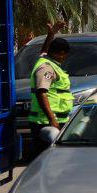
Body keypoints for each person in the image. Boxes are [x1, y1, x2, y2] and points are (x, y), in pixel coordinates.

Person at [28, 20, 73, 156]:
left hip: (54, 120)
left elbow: (44, 51)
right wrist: (52, 119)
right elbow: (41, 93)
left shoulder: (45, 60)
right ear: (61, 53)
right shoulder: (47, 68)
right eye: (65, 55)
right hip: (46, 123)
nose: (65, 58)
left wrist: (51, 35)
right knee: (49, 159)